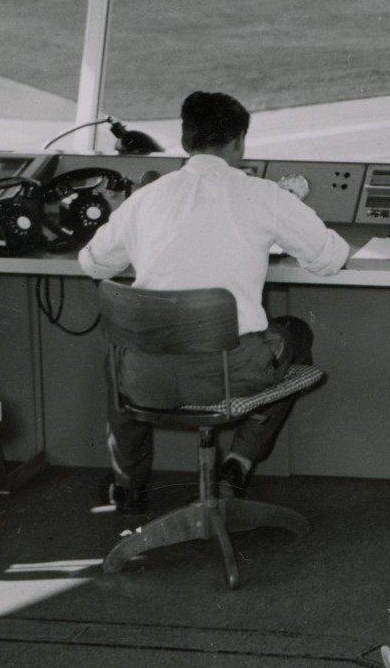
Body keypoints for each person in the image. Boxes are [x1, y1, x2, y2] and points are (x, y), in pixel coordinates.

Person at [78, 91, 349, 511]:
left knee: (119, 355)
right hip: (226, 377)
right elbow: (331, 259)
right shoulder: (263, 195)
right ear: (239, 142)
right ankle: (238, 465)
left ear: (186, 139)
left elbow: (94, 265)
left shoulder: (145, 199)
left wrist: (127, 219)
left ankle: (127, 484)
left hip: (145, 381)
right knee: (294, 332)